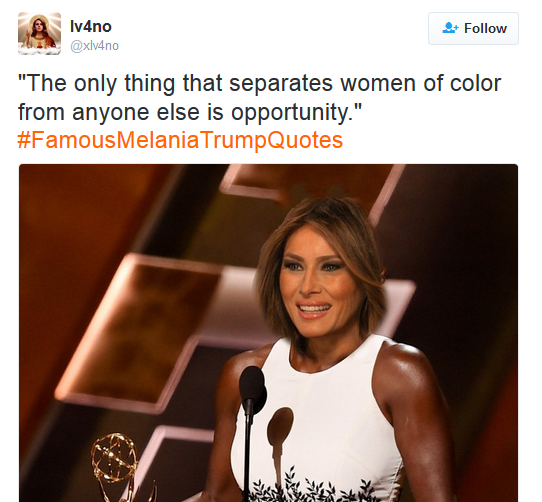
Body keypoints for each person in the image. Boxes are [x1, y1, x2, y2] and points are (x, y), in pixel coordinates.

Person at [200, 198, 456, 502]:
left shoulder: (399, 374)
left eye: (330, 267)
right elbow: (217, 498)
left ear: (368, 276)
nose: (307, 286)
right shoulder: (246, 375)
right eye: (294, 266)